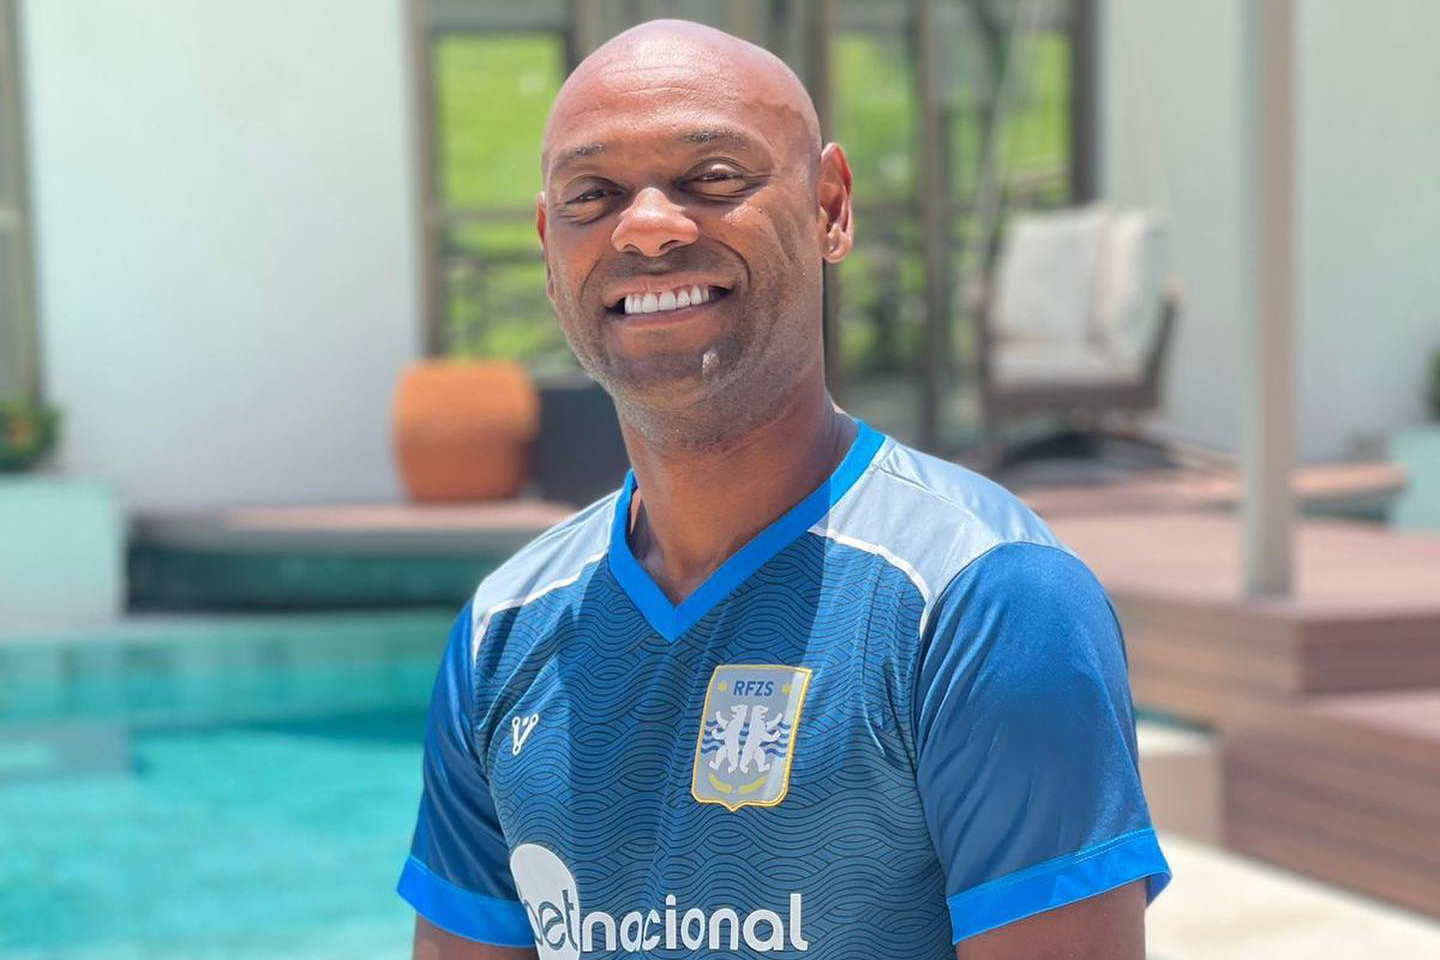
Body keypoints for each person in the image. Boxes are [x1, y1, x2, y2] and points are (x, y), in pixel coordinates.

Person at [398, 19, 1170, 960]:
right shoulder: (502, 632)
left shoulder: (986, 600)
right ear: (549, 252)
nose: (647, 226)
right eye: (592, 195)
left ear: (829, 207)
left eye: (714, 177)